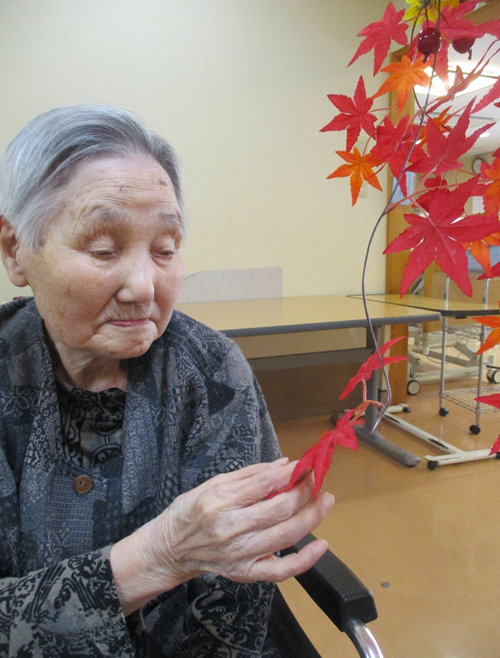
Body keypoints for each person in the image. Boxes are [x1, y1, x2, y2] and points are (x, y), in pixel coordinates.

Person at [0, 105, 334, 657]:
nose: (143, 286)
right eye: (103, 249)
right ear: (16, 250)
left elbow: (234, 610)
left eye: (165, 250)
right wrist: (159, 555)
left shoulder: (211, 372)